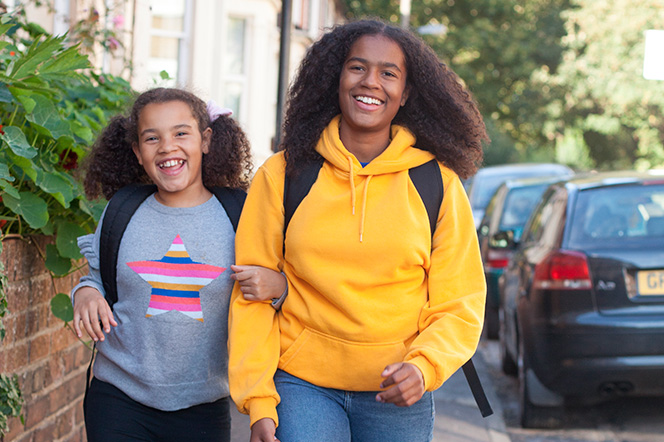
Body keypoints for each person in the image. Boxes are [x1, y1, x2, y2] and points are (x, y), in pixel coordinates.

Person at [228, 19, 488, 442]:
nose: (372, 82)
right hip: (301, 382)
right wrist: (258, 402)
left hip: (398, 392)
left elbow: (460, 302)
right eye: (357, 67)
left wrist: (424, 368)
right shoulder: (284, 173)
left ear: (405, 94)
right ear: (336, 79)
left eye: (389, 73)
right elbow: (250, 295)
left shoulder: (437, 184)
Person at [71, 87, 286, 442]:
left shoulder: (241, 215)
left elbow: (283, 292)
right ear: (139, 153)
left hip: (203, 405)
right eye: (152, 138)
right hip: (119, 398)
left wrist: (277, 287)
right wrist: (86, 293)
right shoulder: (122, 210)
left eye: (180, 133)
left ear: (205, 140)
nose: (167, 146)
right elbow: (97, 278)